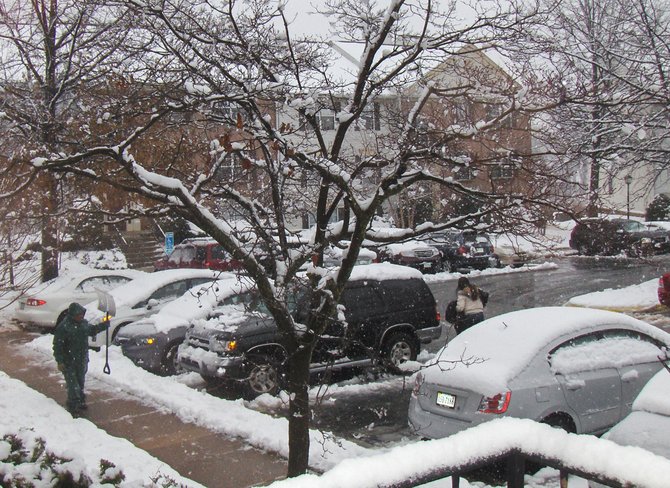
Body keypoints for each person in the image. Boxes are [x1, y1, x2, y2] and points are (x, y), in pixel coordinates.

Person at [53, 302, 109, 416]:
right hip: (69, 361)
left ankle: (80, 400)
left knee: (80, 381)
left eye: (82, 315)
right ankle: (73, 405)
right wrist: (60, 361)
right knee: (73, 384)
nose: (81, 317)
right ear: (73, 314)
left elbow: (92, 330)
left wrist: (104, 325)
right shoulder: (64, 327)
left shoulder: (83, 324)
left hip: (82, 359)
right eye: (79, 315)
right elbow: (57, 346)